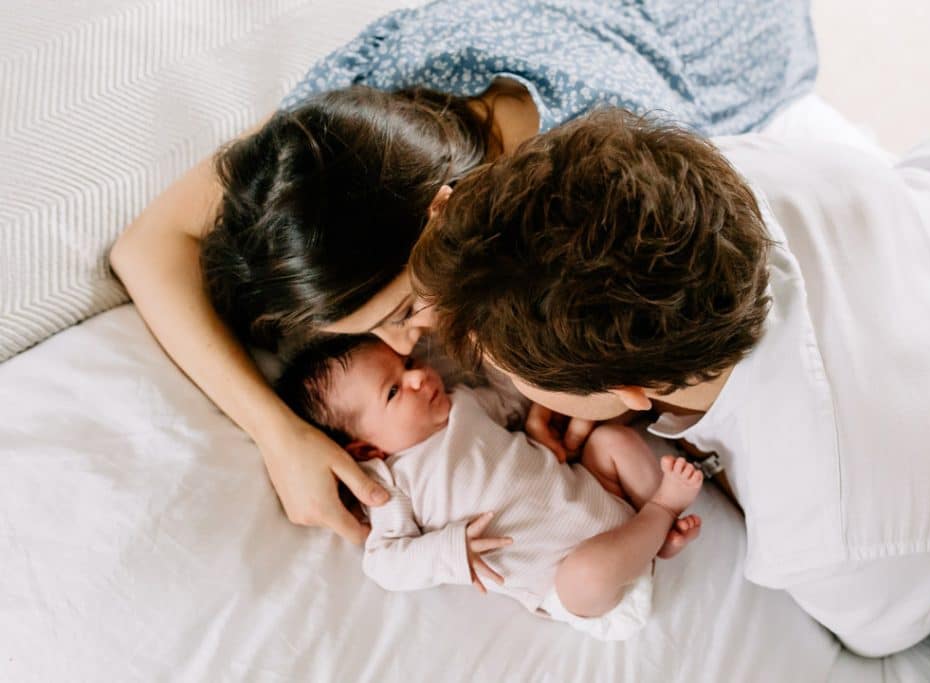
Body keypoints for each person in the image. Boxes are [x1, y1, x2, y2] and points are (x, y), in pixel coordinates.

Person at [109, 0, 817, 544]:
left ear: (446, 214)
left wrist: (567, 373)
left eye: (405, 310)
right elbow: (147, 247)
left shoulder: (614, 177)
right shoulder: (350, 124)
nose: (409, 343)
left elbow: (692, 350)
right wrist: (277, 430)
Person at [409, 108, 930, 656]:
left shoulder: (836, 527)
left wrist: (709, 471)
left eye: (502, 365)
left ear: (628, 391)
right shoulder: (696, 180)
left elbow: (888, 635)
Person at [273, 334, 703, 640]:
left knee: (611, 442)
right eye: (393, 391)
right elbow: (383, 562)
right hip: (569, 575)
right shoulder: (390, 482)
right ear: (365, 446)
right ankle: (661, 511)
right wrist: (449, 551)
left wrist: (483, 343)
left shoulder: (465, 402)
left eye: (406, 365)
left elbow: (515, 398)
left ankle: (657, 534)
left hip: (597, 491)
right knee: (585, 576)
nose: (419, 377)